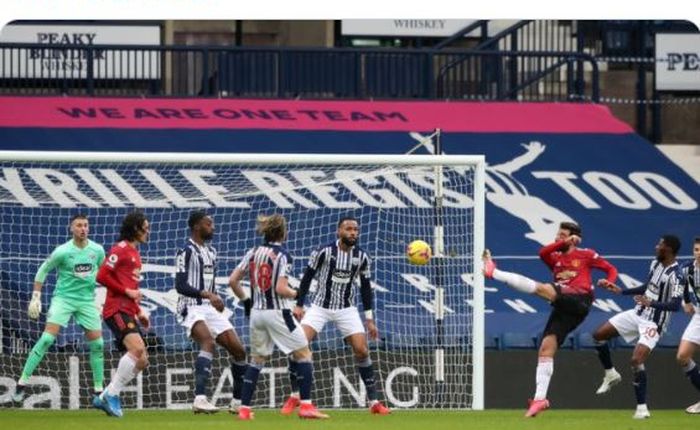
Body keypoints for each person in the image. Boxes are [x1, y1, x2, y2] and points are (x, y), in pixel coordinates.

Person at [482, 221, 618, 417]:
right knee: (546, 347)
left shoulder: (586, 254)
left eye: (562, 235)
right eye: (558, 234)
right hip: (564, 306)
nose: (557, 238)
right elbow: (542, 252)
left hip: (580, 298)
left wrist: (609, 281)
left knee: (543, 288)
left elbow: (611, 269)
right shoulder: (554, 258)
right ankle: (540, 399)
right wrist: (563, 242)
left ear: (574, 238)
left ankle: (494, 272)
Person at [280, 216, 390, 415]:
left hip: (346, 309)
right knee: (297, 344)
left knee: (362, 351)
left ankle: (374, 402)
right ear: (339, 231)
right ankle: (295, 395)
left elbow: (366, 288)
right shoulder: (324, 252)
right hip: (319, 307)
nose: (353, 233)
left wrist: (370, 319)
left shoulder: (362, 257)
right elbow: (306, 278)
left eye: (355, 229)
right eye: (348, 229)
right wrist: (298, 304)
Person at [228, 214, 328, 420]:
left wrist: (246, 300)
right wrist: (297, 293)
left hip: (256, 313)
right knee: (304, 354)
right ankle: (306, 406)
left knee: (257, 360)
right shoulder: (283, 255)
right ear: (283, 232)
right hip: (278, 312)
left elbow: (232, 281)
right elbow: (281, 288)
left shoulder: (253, 252)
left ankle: (244, 410)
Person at [12, 214, 106, 405]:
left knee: (98, 345)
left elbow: (105, 275)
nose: (83, 229)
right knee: (47, 339)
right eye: (79, 225)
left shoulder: (97, 250)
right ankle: (21, 383)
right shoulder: (62, 251)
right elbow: (43, 270)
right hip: (63, 299)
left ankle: (99, 392)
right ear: (71, 228)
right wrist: (36, 297)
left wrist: (104, 298)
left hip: (87, 302)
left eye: (86, 225)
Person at [591, 234, 682, 419]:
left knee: (636, 360)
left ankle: (641, 409)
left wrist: (651, 304)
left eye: (660, 245)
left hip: (654, 323)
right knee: (598, 335)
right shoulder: (655, 264)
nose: (656, 247)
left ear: (669, 249)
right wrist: (621, 290)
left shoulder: (676, 275)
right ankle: (610, 374)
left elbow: (675, 305)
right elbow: (648, 287)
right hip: (637, 313)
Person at [174, 210, 248, 414]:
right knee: (207, 341)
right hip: (190, 306)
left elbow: (210, 283)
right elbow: (180, 285)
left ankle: (237, 402)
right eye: (208, 224)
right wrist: (208, 295)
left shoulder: (211, 252)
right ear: (197, 226)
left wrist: (216, 300)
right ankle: (199, 399)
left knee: (239, 351)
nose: (212, 227)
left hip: (208, 307)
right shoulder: (185, 251)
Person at [92, 211, 151, 418]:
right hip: (115, 309)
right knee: (137, 349)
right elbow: (101, 275)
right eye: (145, 227)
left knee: (142, 360)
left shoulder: (135, 254)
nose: (148, 231)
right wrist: (127, 293)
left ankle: (104, 396)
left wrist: (139, 311)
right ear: (135, 229)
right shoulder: (121, 249)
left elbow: (131, 286)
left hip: (128, 310)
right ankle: (112, 395)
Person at [676, 236, 700, 414]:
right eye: (696, 250)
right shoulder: (687, 268)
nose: (699, 253)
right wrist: (687, 302)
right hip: (699, 315)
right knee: (683, 356)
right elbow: (683, 285)